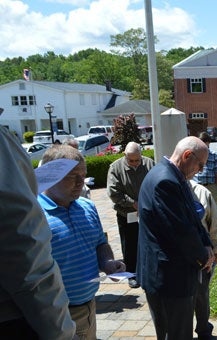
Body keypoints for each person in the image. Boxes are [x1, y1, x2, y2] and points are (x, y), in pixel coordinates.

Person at [37, 145, 125, 339]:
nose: (80, 183)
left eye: (83, 175)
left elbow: (100, 243)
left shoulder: (87, 206)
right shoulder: (34, 216)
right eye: (72, 176)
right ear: (50, 176)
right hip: (55, 315)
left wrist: (107, 263)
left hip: (89, 306)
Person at [0, 126, 76, 340]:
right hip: (20, 318)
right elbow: (24, 254)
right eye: (72, 176)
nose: (80, 182)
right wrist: (63, 334)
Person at [137, 136, 215, 340]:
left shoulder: (172, 176)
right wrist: (203, 257)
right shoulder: (165, 181)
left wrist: (207, 244)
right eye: (200, 165)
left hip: (172, 275)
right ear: (187, 155)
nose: (200, 170)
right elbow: (180, 231)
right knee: (176, 334)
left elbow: (193, 218)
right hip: (168, 278)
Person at [107, 142, 155, 288]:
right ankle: (132, 274)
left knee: (148, 243)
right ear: (124, 156)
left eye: (137, 160)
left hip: (147, 213)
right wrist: (133, 203)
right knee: (129, 245)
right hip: (126, 214)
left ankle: (147, 271)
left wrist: (146, 203)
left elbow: (156, 184)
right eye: (131, 160)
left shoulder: (149, 164)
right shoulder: (115, 168)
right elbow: (113, 193)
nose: (134, 163)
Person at [188, 181, 217, 339]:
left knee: (201, 295)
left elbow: (214, 223)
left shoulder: (202, 193)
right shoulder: (168, 191)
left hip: (203, 257)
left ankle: (203, 330)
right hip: (179, 257)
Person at [193, 132, 217, 204]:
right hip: (198, 186)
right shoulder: (194, 155)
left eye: (205, 142)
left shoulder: (214, 155)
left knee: (212, 211)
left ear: (208, 143)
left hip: (211, 186)